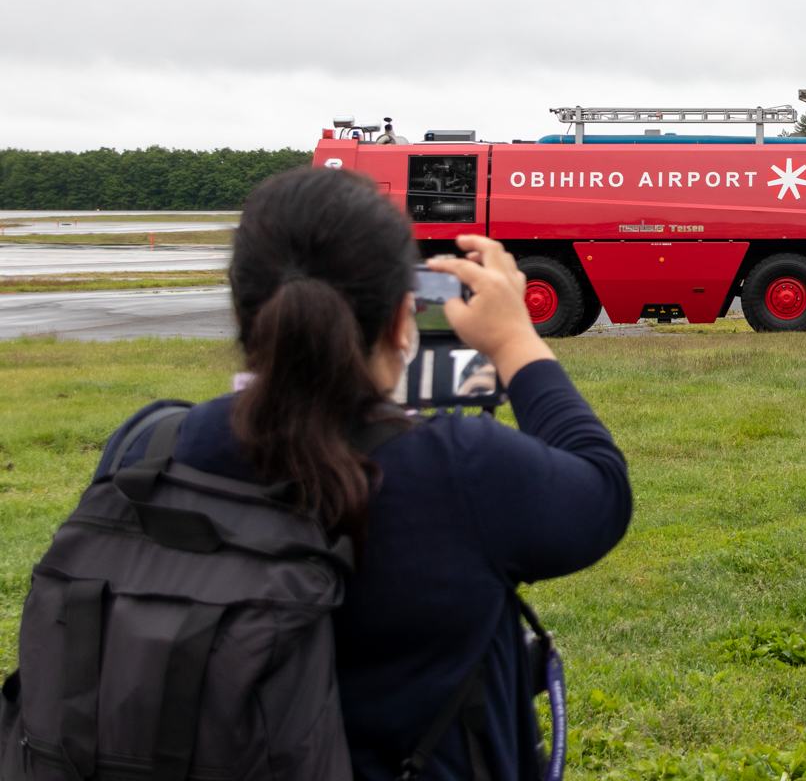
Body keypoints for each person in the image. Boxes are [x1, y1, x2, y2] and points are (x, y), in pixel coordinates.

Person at [98, 167, 631, 781]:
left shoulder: (146, 447)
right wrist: (515, 341)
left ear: (243, 308)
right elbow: (602, 492)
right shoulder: (461, 467)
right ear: (405, 315)